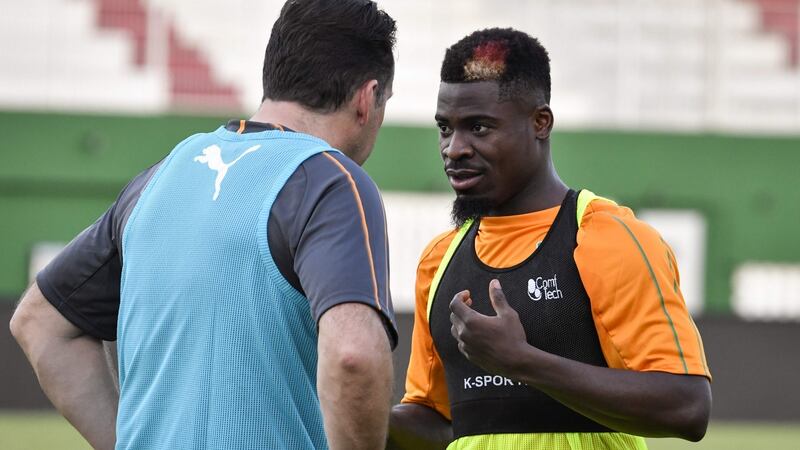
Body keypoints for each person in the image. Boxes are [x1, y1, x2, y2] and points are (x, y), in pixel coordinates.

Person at [10, 1, 397, 449]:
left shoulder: (158, 178)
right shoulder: (333, 180)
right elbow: (352, 355)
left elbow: (39, 322)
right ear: (367, 98)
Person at [387, 28, 712, 450]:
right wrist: (347, 404)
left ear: (540, 123)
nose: (454, 148)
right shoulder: (439, 260)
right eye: (445, 128)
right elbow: (439, 423)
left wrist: (521, 361)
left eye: (479, 127)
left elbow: (687, 407)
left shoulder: (607, 238)